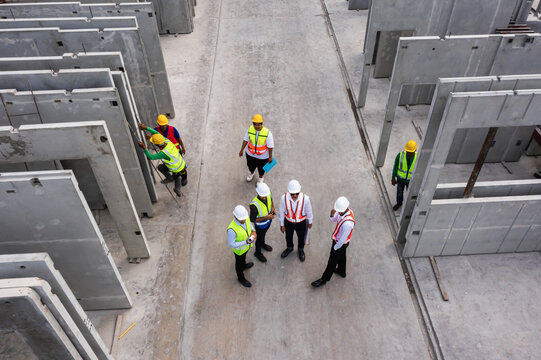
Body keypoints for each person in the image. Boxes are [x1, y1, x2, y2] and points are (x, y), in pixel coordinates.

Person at [311, 197, 355, 288]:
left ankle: (324, 279)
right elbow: (333, 219)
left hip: (340, 243)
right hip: (341, 243)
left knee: (332, 262)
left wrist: (335, 248)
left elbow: (342, 240)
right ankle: (341, 271)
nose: (338, 212)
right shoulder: (346, 211)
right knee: (342, 256)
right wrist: (332, 215)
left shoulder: (348, 224)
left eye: (339, 211)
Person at [137, 124, 187, 197]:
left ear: (158, 145)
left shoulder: (163, 153)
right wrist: (146, 128)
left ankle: (177, 189)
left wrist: (144, 148)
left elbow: (151, 157)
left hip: (176, 168)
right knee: (160, 167)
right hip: (181, 163)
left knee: (177, 177)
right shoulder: (167, 141)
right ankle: (170, 178)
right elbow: (157, 133)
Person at [279, 179, 313, 262]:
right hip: (288, 222)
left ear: (299, 191)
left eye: (296, 193)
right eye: (292, 194)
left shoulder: (306, 199)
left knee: (301, 237)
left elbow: (309, 211)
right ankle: (289, 247)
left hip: (301, 222)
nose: (294, 196)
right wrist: (282, 224)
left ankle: (300, 249)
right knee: (288, 236)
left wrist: (310, 221)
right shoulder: (284, 198)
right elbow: (281, 211)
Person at [238, 114, 274, 184]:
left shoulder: (267, 133)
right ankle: (251, 173)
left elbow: (270, 146)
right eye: (255, 124)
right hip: (250, 154)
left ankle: (260, 178)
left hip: (263, 157)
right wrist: (241, 150)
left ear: (262, 124)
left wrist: (270, 156)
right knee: (250, 166)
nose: (256, 126)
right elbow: (245, 140)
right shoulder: (250, 129)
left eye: (258, 124)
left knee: (262, 170)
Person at [227, 205, 256, 288]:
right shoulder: (231, 230)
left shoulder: (245, 218)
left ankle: (244, 266)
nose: (243, 220)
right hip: (239, 251)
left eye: (244, 218)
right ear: (235, 216)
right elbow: (231, 244)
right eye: (241, 219)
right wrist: (245, 242)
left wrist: (253, 232)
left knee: (243, 259)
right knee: (238, 264)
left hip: (246, 248)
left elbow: (250, 227)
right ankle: (241, 278)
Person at [249, 182, 275, 263]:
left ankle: (263, 244)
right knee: (259, 239)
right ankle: (257, 253)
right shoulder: (254, 205)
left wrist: (273, 209)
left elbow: (271, 200)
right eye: (262, 195)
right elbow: (252, 219)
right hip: (260, 226)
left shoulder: (268, 193)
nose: (264, 197)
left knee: (263, 236)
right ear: (258, 193)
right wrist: (266, 217)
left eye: (265, 195)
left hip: (268, 222)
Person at [391, 140, 417, 211]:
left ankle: (409, 207)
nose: (409, 154)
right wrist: (393, 178)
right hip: (400, 180)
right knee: (399, 192)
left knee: (410, 195)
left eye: (411, 153)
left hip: (411, 181)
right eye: (408, 152)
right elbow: (395, 166)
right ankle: (399, 203)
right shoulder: (400, 155)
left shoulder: (418, 158)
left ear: (415, 150)